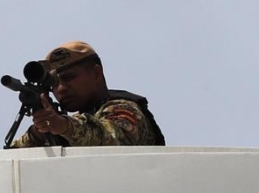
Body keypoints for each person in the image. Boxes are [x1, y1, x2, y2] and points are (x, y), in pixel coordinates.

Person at [10, 41, 165, 148]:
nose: (61, 88)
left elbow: (111, 138)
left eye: (69, 78)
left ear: (96, 74)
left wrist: (63, 125)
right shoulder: (70, 128)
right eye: (54, 83)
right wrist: (39, 134)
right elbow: (11, 161)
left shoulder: (125, 109)